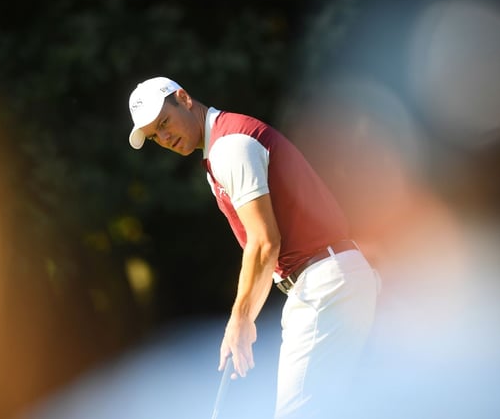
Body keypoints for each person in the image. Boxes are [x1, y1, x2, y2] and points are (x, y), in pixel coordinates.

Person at [126, 76, 379, 418]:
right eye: (156, 135)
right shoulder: (221, 149)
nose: (165, 137)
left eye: (165, 122)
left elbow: (263, 243)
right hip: (330, 280)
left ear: (184, 98)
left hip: (324, 284)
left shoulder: (230, 146)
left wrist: (240, 320)